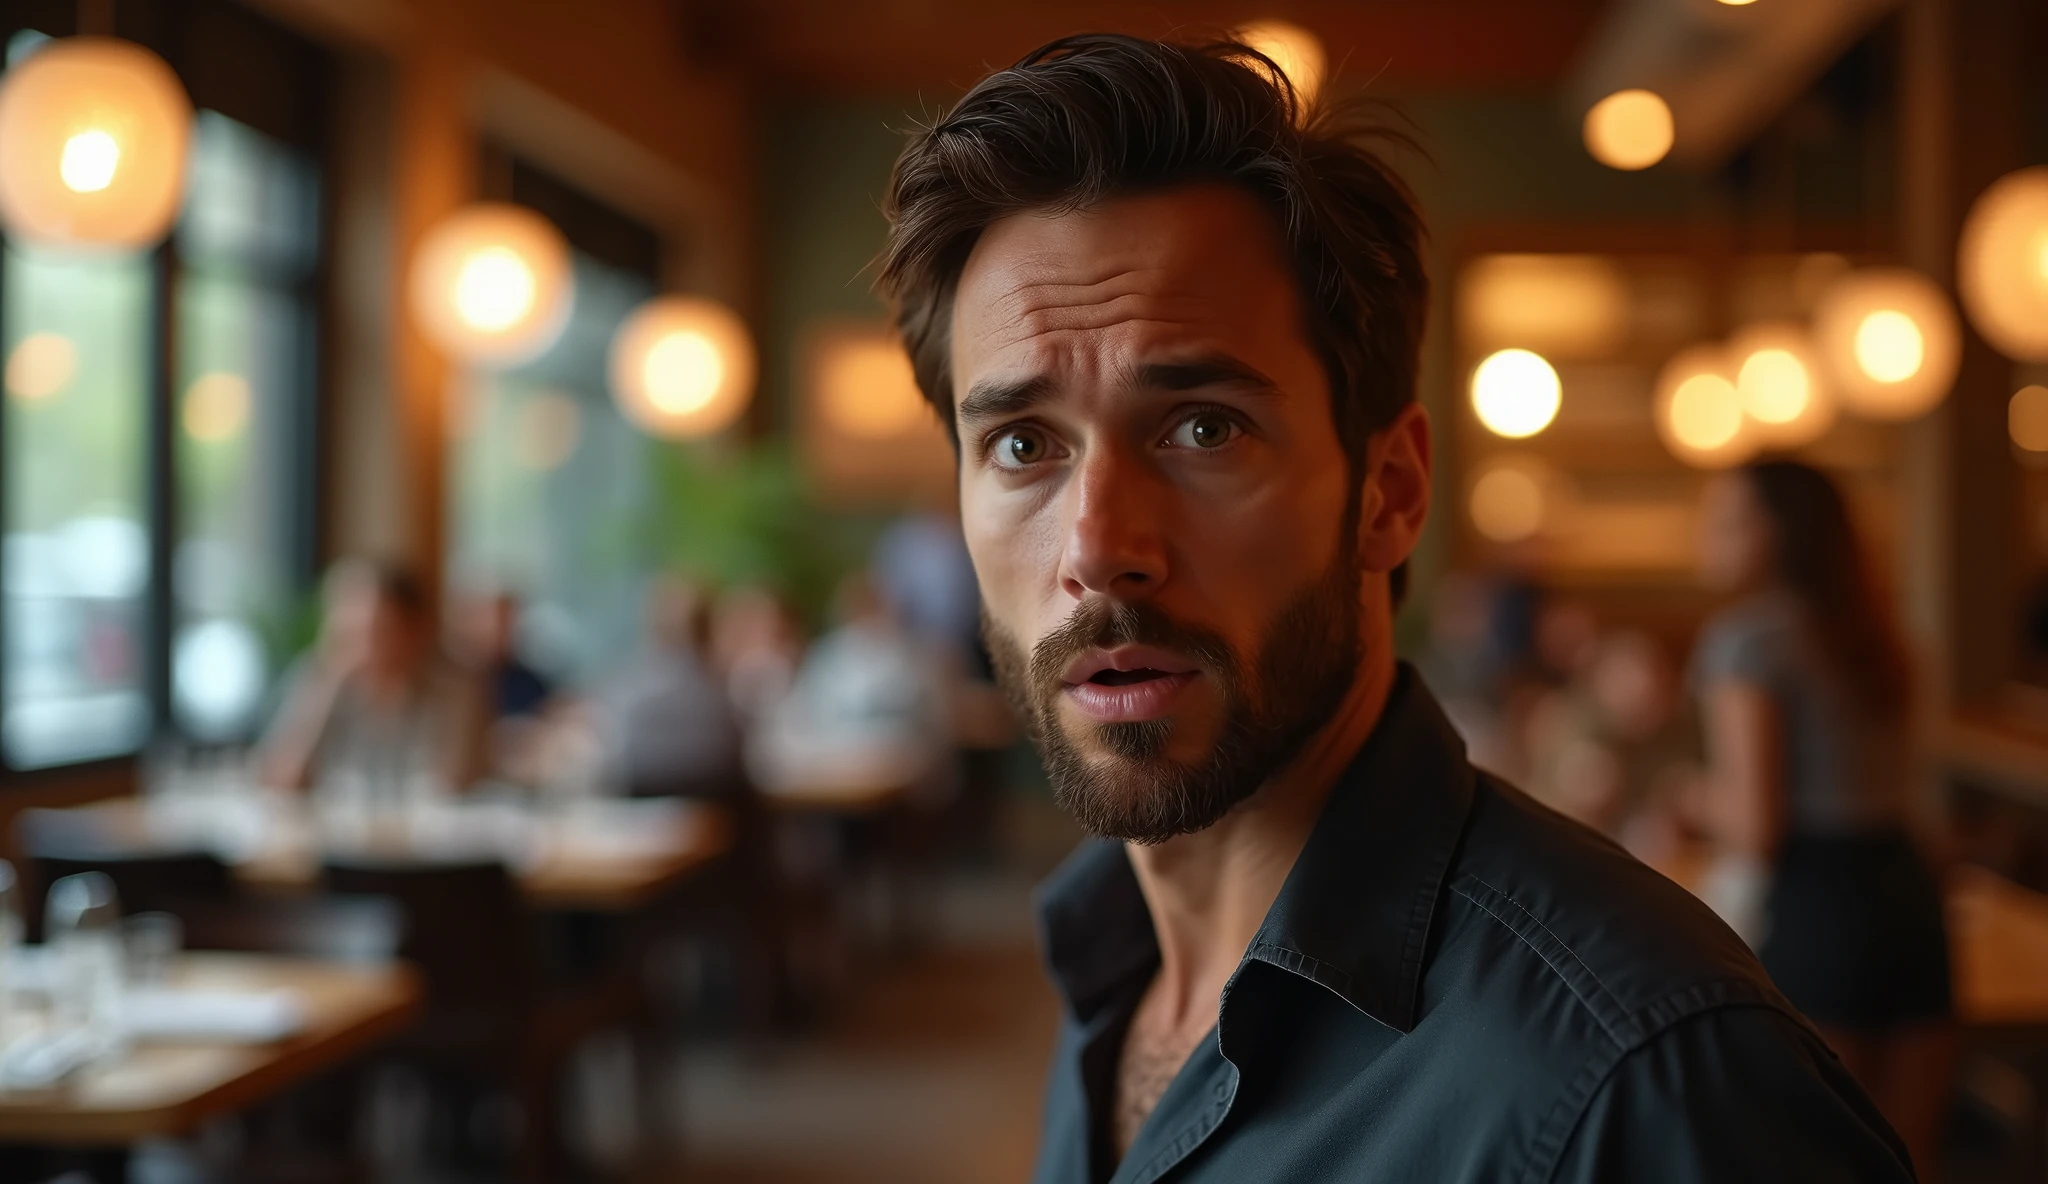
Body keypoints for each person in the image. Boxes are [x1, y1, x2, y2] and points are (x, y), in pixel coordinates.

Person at [877, 33, 1912, 1182]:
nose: (1097, 550)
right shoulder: (1110, 953)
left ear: (1391, 489)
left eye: (1202, 426)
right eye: (1021, 444)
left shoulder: (1648, 1080)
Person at [1692, 460, 1953, 1176]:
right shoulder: (1880, 632)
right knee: (1906, 1159)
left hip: (1816, 909)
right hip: (1907, 895)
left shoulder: (1746, 642)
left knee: (1813, 1162)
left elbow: (1756, 826)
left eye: (1728, 519)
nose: (1705, 535)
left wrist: (1688, 797)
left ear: (1777, 533)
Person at [257, 561, 485, 795]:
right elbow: (279, 781)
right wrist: (325, 688)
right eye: (347, 629)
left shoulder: (454, 689)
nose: (361, 646)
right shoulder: (316, 678)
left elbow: (451, 787)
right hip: (334, 831)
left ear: (414, 628)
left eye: (376, 629)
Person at [599, 573, 743, 799]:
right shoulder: (728, 693)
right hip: (725, 825)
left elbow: (609, 756)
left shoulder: (630, 689)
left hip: (642, 822)